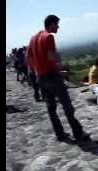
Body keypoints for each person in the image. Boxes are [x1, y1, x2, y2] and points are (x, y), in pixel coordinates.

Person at [28, 14, 88, 142]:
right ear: (51, 24)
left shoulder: (33, 38)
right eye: (57, 24)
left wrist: (37, 70)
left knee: (51, 108)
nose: (58, 27)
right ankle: (78, 133)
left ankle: (59, 134)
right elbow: (51, 57)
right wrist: (59, 67)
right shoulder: (49, 36)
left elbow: (29, 58)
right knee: (67, 107)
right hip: (52, 78)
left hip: (41, 78)